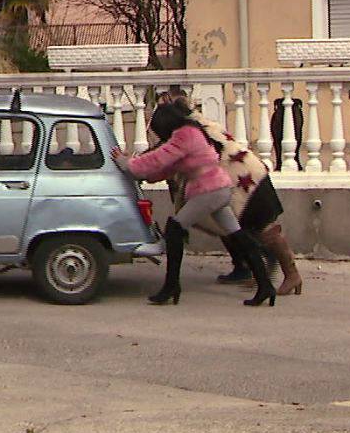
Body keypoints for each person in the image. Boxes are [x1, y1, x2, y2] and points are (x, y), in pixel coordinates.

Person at [111, 100, 277, 307]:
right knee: (238, 235)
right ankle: (265, 285)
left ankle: (171, 286)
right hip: (217, 189)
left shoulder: (184, 135)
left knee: (174, 229)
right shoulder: (189, 134)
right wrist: (140, 172)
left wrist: (128, 165)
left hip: (209, 191)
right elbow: (169, 167)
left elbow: (159, 159)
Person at [165, 98, 303, 296]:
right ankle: (247, 268)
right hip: (241, 177)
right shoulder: (203, 126)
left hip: (246, 180)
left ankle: (291, 274)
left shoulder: (195, 132)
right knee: (229, 226)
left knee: (261, 227)